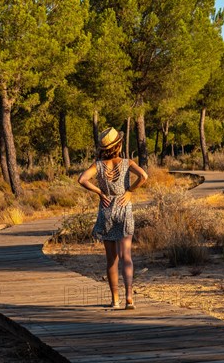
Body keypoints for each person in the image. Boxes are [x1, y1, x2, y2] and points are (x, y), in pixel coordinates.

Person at [78, 127, 148, 310]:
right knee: (126, 256)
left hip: (107, 209)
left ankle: (115, 300)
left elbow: (82, 179)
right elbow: (144, 176)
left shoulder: (98, 165)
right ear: (118, 145)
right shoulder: (126, 162)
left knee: (111, 260)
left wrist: (100, 192)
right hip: (124, 207)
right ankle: (129, 298)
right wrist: (130, 191)